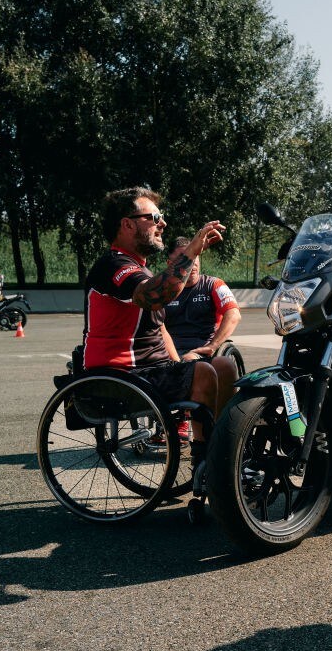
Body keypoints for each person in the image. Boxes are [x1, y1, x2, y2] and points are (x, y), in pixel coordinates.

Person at [81, 186, 231, 470]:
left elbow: (160, 330)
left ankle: (227, 446)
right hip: (119, 375)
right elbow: (155, 295)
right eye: (154, 217)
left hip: (148, 371)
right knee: (205, 373)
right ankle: (209, 461)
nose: (162, 223)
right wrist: (192, 250)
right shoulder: (113, 265)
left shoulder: (141, 268)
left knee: (224, 367)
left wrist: (179, 363)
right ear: (127, 224)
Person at [162, 235, 241, 410]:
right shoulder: (163, 291)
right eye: (186, 257)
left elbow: (233, 314)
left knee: (206, 362)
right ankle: (176, 422)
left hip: (202, 350)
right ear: (170, 263)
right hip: (168, 351)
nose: (193, 262)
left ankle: (218, 423)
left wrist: (213, 345)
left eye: (195, 255)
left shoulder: (214, 284)